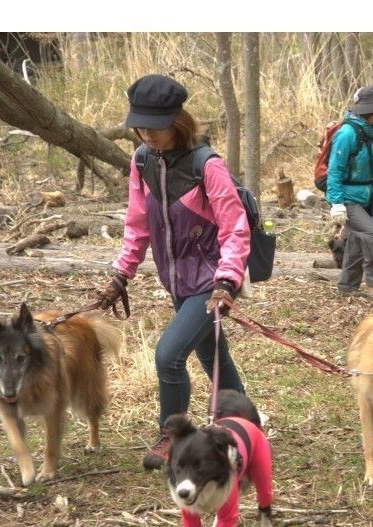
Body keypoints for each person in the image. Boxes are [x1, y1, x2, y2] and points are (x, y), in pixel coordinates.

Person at [96, 74, 251, 470]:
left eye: (156, 125)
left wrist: (226, 281)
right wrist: (121, 274)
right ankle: (246, 425)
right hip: (177, 281)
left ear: (178, 120)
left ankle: (174, 436)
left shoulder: (207, 165)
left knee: (168, 355)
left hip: (211, 282)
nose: (147, 133)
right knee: (212, 353)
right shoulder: (142, 161)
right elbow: (137, 224)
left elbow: (235, 228)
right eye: (140, 125)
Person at [327, 84, 373, 300]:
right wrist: (336, 203)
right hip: (347, 197)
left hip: (367, 193)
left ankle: (347, 285)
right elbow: (334, 171)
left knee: (357, 238)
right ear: (369, 109)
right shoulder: (347, 133)